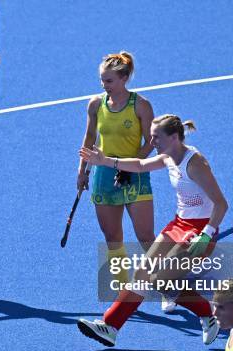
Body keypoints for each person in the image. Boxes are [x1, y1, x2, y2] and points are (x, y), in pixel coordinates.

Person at [77, 114, 228, 346]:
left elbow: (221, 204)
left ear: (174, 137)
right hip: (179, 225)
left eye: (156, 137)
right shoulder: (168, 156)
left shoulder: (196, 164)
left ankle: (208, 313)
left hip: (199, 231)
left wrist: (207, 233)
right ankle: (110, 326)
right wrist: (106, 160)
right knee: (142, 274)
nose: (151, 142)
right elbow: (139, 165)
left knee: (160, 281)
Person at [77, 51, 155, 287]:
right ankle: (122, 291)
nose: (104, 85)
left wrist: (129, 167)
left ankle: (167, 289)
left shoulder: (141, 105)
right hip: (104, 175)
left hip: (134, 174)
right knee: (112, 238)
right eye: (102, 80)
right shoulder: (95, 104)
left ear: (124, 79)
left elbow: (151, 141)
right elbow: (90, 137)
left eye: (109, 80)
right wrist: (83, 171)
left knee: (146, 239)